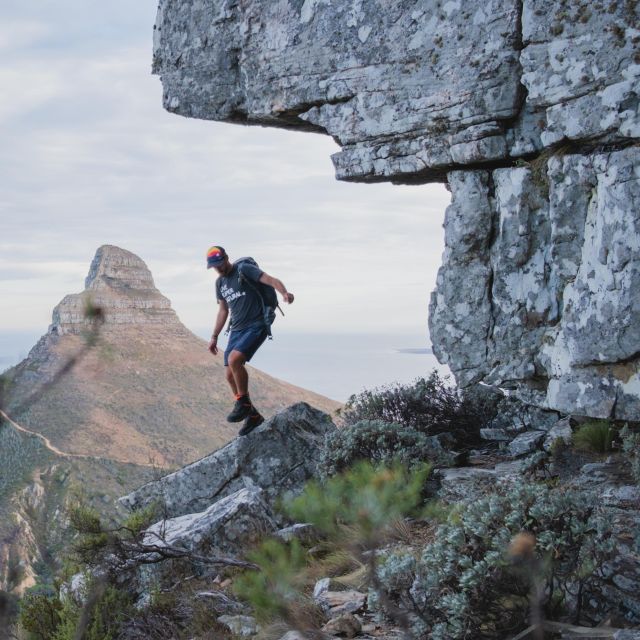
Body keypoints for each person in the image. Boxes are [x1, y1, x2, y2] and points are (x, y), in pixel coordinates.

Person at [206, 246, 294, 435]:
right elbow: (223, 310)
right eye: (214, 266)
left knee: (235, 359)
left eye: (220, 264)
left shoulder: (244, 270)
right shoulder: (220, 283)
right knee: (230, 375)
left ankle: (243, 403)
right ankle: (253, 417)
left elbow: (270, 280)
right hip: (236, 330)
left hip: (257, 324)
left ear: (226, 258)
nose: (218, 268)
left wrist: (284, 293)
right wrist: (214, 336)